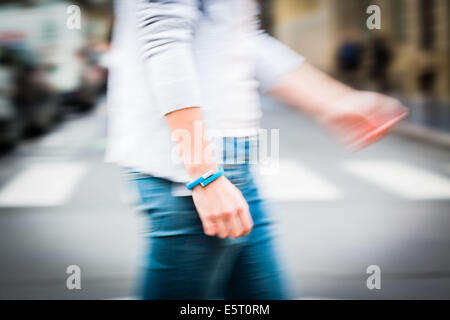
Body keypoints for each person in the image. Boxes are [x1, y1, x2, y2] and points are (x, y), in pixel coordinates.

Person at [106, 0, 407, 300]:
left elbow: (236, 38)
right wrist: (203, 174)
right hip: (191, 168)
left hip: (225, 162)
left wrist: (333, 101)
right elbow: (164, 39)